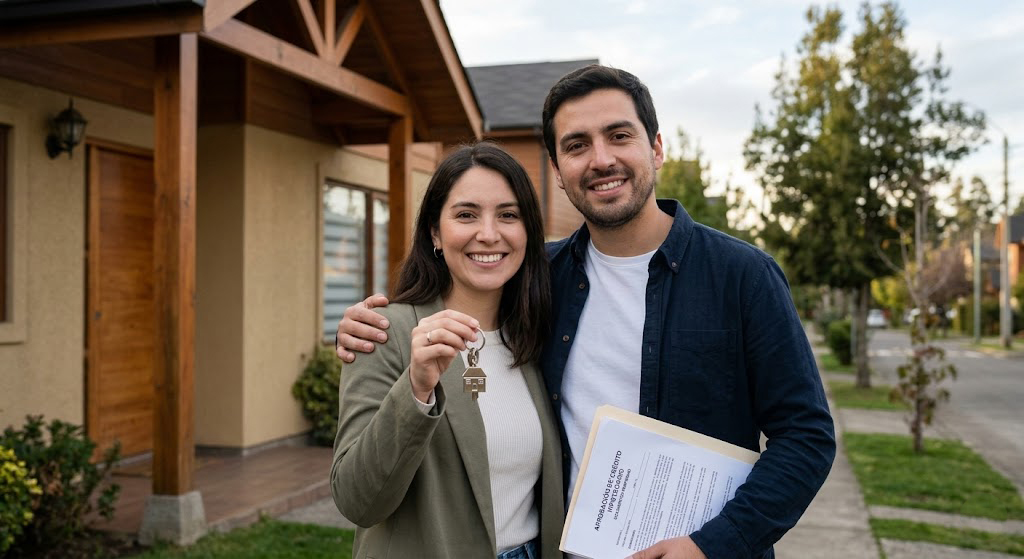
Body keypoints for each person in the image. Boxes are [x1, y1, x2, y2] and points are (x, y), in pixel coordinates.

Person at [336, 65, 836, 559]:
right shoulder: (539, 279)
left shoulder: (742, 276)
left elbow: (806, 438)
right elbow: (459, 291)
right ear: (557, 169)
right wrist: (375, 327)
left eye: (619, 136)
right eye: (576, 145)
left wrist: (712, 545)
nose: (601, 160)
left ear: (656, 148)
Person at [330, 142, 563, 559]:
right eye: (466, 214)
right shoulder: (386, 333)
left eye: (508, 215)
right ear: (435, 232)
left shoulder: (535, 334)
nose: (488, 233)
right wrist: (416, 389)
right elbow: (356, 500)